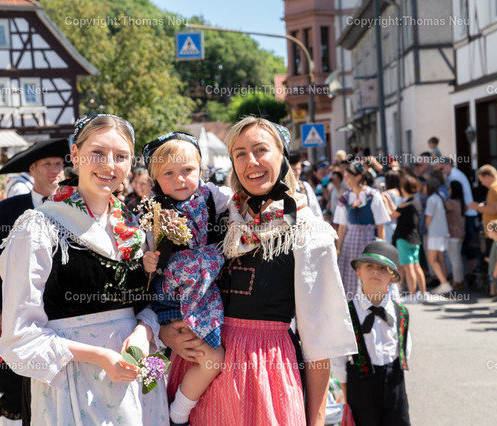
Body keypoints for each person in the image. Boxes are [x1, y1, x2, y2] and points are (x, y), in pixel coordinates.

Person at [160, 117, 356, 425]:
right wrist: (166, 332)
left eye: (260, 150)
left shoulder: (307, 231)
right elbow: (170, 283)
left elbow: (319, 342)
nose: (251, 161)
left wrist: (316, 420)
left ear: (281, 154)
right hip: (200, 370)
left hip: (267, 376)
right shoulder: (217, 216)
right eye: (239, 153)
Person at [0, 114, 168, 424]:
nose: (109, 165)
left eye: (121, 156)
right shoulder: (40, 228)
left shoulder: (137, 228)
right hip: (72, 383)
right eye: (97, 153)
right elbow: (19, 335)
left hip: (134, 384)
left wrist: (143, 332)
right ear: (75, 155)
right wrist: (98, 355)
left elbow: (153, 300)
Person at [141, 132, 231, 425]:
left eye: (188, 170)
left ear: (200, 169)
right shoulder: (154, 211)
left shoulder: (211, 195)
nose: (180, 179)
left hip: (204, 292)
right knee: (208, 358)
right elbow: (143, 252)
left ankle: (163, 407)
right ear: (155, 178)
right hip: (174, 297)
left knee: (194, 355)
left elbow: (240, 201)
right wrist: (147, 260)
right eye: (168, 173)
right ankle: (175, 414)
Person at [0, 137, 69, 424]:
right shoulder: (6, 210)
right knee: (16, 385)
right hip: (19, 312)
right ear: (32, 169)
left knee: (60, 386)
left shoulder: (74, 206)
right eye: (47, 164)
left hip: (64, 312)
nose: (55, 170)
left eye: (59, 164)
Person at [331, 240, 411, 426]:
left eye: (382, 269)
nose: (376, 272)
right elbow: (338, 359)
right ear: (359, 272)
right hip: (360, 388)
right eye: (369, 266)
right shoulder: (347, 313)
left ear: (392, 278)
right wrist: (346, 394)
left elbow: (405, 349)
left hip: (395, 385)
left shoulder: (400, 312)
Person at [334, 162, 391, 299]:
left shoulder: (372, 195)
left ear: (358, 177)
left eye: (348, 177)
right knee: (350, 274)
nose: (345, 180)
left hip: (368, 239)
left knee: (369, 272)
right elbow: (342, 227)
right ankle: (352, 304)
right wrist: (338, 250)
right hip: (351, 241)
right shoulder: (345, 197)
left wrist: (380, 249)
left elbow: (380, 225)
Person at [390, 175, 426, 302]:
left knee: (408, 267)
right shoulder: (416, 201)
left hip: (404, 238)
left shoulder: (405, 204)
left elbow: (391, 215)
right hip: (415, 237)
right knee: (416, 266)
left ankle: (412, 294)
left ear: (404, 188)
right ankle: (423, 293)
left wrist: (387, 200)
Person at [426, 178, 451, 294]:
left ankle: (444, 283)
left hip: (435, 233)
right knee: (440, 259)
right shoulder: (439, 197)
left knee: (432, 260)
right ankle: (444, 283)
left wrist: (426, 226)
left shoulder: (431, 199)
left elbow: (429, 217)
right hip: (442, 232)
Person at [446, 181, 466, 291]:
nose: (448, 191)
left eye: (449, 189)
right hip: (460, 233)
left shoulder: (451, 203)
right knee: (457, 258)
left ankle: (457, 281)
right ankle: (459, 280)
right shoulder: (462, 203)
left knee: (454, 259)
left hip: (453, 234)